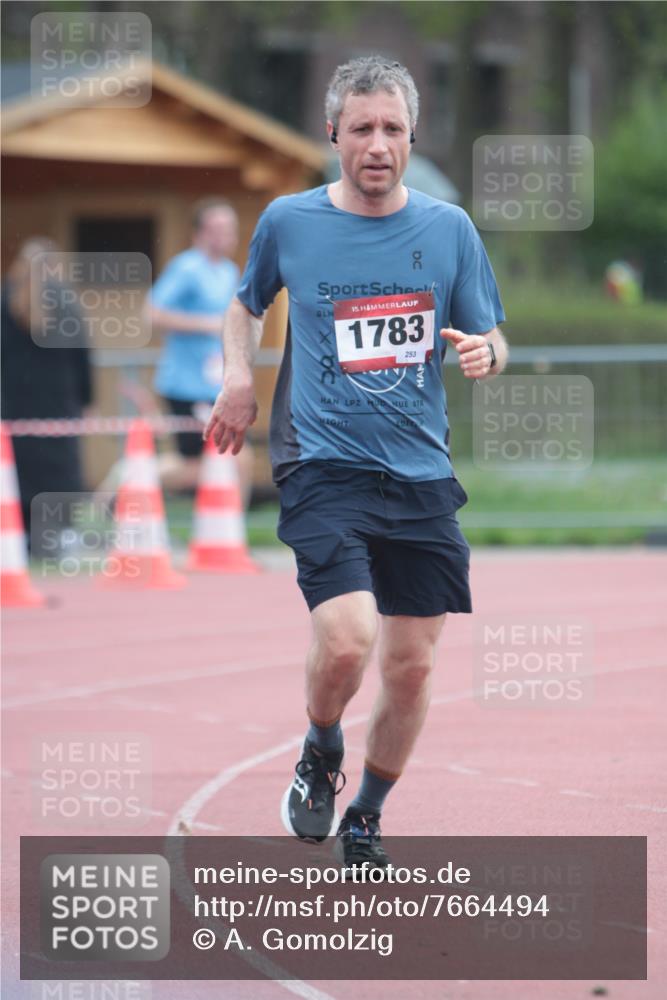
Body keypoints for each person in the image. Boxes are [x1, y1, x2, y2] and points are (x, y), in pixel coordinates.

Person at [205, 56, 508, 872]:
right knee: (348, 639)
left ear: (413, 137)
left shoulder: (449, 230)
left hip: (419, 473)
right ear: (333, 132)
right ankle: (319, 744)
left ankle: (366, 815)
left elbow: (492, 331)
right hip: (321, 461)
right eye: (363, 128)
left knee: (409, 668)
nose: (378, 144)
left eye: (393, 130)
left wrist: (486, 350)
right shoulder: (288, 221)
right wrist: (238, 375)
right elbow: (244, 305)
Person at [148, 198, 253, 502]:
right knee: (222, 461)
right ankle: (135, 476)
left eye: (229, 229)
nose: (225, 236)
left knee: (229, 460)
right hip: (186, 384)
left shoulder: (229, 271)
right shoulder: (187, 267)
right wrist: (207, 324)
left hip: (214, 383)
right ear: (199, 233)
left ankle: (230, 534)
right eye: (217, 229)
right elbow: (152, 313)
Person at [1, 238, 92, 552]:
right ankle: (56, 535)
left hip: (14, 401)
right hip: (59, 401)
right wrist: (86, 399)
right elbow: (82, 357)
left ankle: (20, 534)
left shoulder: (4, 301)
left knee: (20, 469)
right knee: (60, 470)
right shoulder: (66, 302)